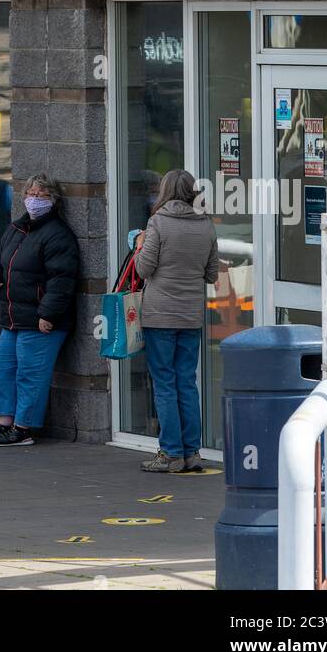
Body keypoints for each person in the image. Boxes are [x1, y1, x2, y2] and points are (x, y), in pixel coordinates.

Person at [0, 173, 79, 447]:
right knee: (1, 367)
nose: (34, 200)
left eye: (42, 195)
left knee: (30, 373)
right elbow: (0, 257)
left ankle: (24, 428)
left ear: (54, 201)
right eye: (31, 194)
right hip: (14, 316)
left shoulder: (57, 235)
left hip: (40, 320)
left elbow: (62, 280)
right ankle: (4, 423)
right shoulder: (17, 229)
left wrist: (48, 315)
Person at [134, 168, 219, 473]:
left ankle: (171, 453)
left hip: (160, 314)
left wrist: (139, 244)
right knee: (186, 382)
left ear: (165, 191)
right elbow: (211, 274)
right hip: (191, 315)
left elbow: (143, 269)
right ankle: (192, 451)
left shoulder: (158, 223)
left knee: (164, 383)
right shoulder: (206, 225)